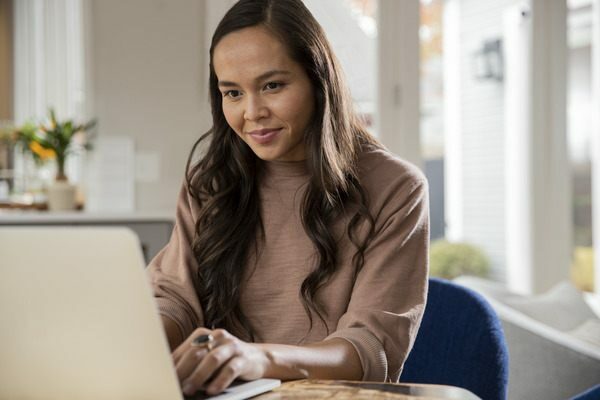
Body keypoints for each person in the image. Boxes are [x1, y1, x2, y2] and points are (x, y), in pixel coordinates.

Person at [147, 0, 430, 396]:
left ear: (318, 80)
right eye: (232, 92)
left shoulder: (396, 187)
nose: (252, 112)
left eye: (272, 85)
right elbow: (177, 298)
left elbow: (371, 349)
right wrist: (136, 342)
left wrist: (258, 359)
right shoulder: (209, 181)